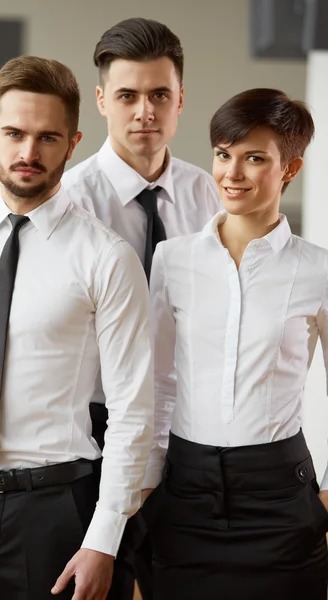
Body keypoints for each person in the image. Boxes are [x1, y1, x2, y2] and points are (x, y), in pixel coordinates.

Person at [0, 55, 154, 600]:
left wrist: (104, 539)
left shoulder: (107, 257)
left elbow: (133, 410)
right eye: (14, 133)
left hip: (52, 513)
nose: (28, 153)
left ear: (73, 143)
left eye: (47, 137)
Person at [144, 88, 328, 600]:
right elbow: (158, 380)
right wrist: (150, 475)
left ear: (289, 170)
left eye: (254, 158)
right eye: (224, 154)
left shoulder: (318, 270)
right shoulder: (172, 259)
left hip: (280, 495)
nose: (232, 173)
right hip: (184, 491)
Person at [62, 18, 221, 600]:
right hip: (98, 426)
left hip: (193, 428)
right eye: (127, 95)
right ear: (102, 100)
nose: (145, 111)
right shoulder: (69, 203)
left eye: (159, 95)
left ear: (181, 99)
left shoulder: (212, 196)